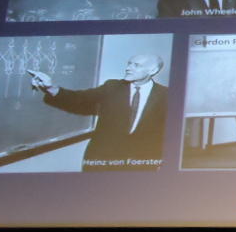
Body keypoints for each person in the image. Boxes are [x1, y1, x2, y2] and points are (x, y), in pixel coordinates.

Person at [27, 54, 168, 171]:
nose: (128, 68)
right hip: (102, 161)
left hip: (140, 165)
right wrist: (51, 87)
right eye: (129, 64)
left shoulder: (166, 95)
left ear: (153, 70)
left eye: (136, 65)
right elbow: (79, 99)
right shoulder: (112, 87)